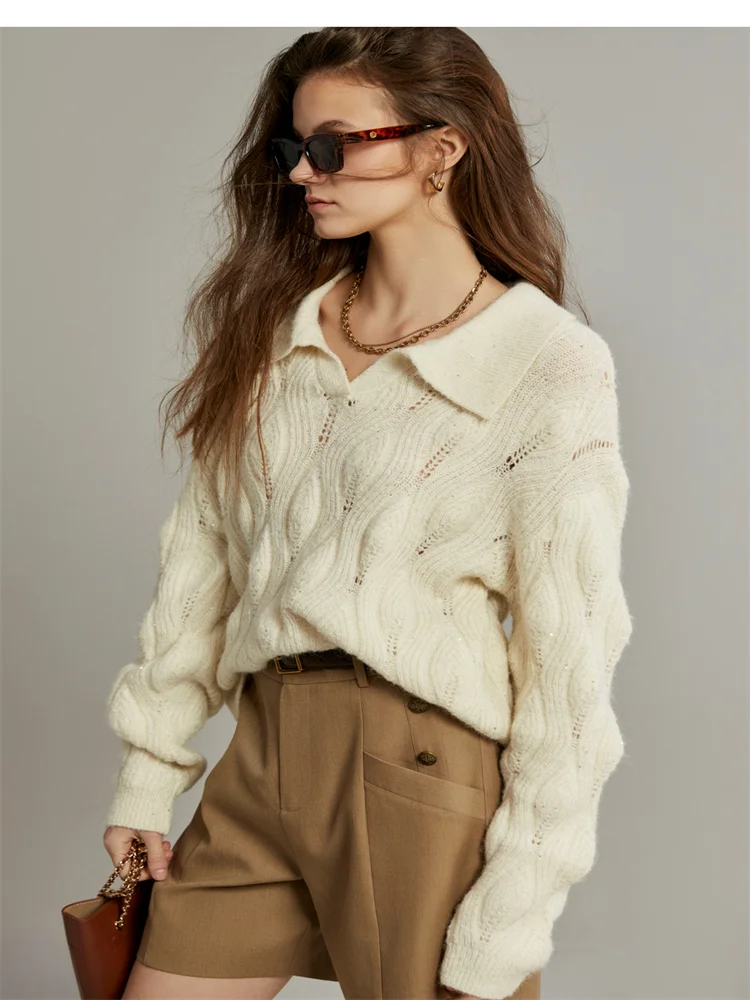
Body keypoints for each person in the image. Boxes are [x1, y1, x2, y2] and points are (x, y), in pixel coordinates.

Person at [102, 26, 634, 1000]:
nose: (304, 173)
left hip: (413, 767)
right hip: (261, 752)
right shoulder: (276, 336)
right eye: (292, 148)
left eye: (334, 145)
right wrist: (149, 772)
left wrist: (515, 909)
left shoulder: (545, 361)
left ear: (442, 149)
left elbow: (570, 664)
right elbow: (203, 562)